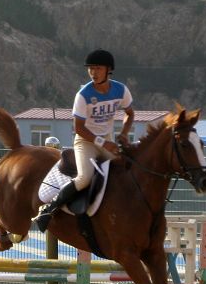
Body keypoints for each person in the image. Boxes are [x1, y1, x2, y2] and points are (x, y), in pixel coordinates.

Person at [33, 49, 134, 232]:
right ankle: (48, 209)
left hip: (108, 140)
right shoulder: (83, 95)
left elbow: (130, 113)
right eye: (90, 69)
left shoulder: (121, 90)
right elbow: (79, 128)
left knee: (126, 172)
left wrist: (125, 133)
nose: (93, 73)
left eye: (97, 68)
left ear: (108, 70)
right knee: (84, 178)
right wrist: (103, 143)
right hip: (85, 142)